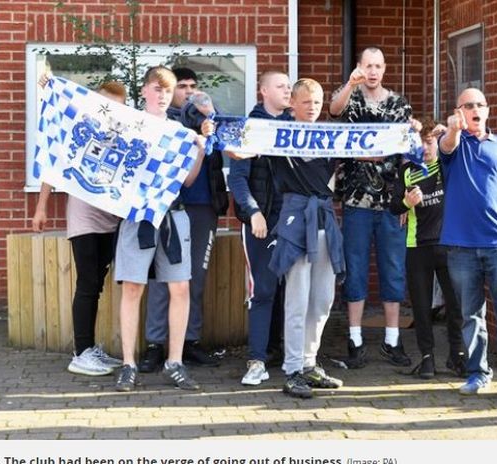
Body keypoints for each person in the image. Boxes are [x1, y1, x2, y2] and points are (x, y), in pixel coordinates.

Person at [113, 66, 209, 392]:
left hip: (173, 215)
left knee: (180, 288)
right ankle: (128, 364)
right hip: (138, 216)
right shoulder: (130, 125)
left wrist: (198, 150)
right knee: (132, 288)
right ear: (144, 91)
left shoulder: (179, 130)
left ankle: (175, 362)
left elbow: (189, 180)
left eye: (167, 91)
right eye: (157, 89)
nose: (162, 95)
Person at [439, 88, 497, 402]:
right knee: (470, 314)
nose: (475, 109)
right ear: (458, 110)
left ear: (488, 109)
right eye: (468, 105)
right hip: (461, 246)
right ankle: (478, 373)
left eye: (480, 104)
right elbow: (446, 145)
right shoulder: (451, 144)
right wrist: (454, 127)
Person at [32, 80, 127, 377]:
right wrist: (41, 207)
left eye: (117, 103)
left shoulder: (126, 133)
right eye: (105, 102)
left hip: (112, 219)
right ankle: (80, 353)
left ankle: (88, 348)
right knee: (87, 283)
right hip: (84, 219)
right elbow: (53, 165)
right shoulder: (79, 127)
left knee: (96, 283)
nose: (110, 108)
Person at [139, 67, 228, 372]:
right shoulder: (163, 122)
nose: (188, 91)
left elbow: (226, 145)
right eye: (182, 86)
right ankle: (154, 344)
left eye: (193, 86)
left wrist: (211, 117)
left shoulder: (207, 118)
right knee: (160, 279)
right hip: (169, 207)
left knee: (195, 279)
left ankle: (189, 342)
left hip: (203, 206)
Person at [329, 46, 412, 369]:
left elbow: (406, 154)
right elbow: (334, 112)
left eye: (378, 66)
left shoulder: (398, 104)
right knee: (356, 268)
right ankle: (355, 339)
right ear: (359, 67)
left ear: (385, 68)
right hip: (355, 200)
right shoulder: (352, 97)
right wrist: (350, 85)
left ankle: (393, 340)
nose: (373, 71)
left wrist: (404, 197)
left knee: (393, 269)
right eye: (368, 66)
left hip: (391, 203)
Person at [267, 78, 344, 399]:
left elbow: (371, 153)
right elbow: (238, 151)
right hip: (297, 220)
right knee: (297, 298)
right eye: (306, 102)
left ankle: (310, 363)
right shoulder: (277, 137)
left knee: (323, 299)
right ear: (293, 104)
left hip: (326, 220)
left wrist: (402, 135)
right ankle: (293, 369)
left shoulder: (330, 137)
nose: (312, 108)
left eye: (316, 102)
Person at [389, 118, 466, 379]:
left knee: (455, 305)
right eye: (421, 144)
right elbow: (394, 207)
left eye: (430, 142)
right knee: (421, 308)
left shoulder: (447, 165)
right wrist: (406, 201)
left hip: (448, 244)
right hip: (417, 246)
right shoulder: (408, 170)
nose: (426, 149)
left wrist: (447, 131)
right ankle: (427, 359)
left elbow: (460, 146)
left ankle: (457, 356)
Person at [228, 71, 292, 386]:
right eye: (281, 85)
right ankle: (257, 360)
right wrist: (253, 211)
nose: (287, 90)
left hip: (291, 222)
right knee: (263, 289)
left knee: (289, 290)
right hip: (261, 222)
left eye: (289, 85)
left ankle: (282, 353)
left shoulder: (296, 127)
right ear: (263, 91)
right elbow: (237, 177)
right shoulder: (248, 128)